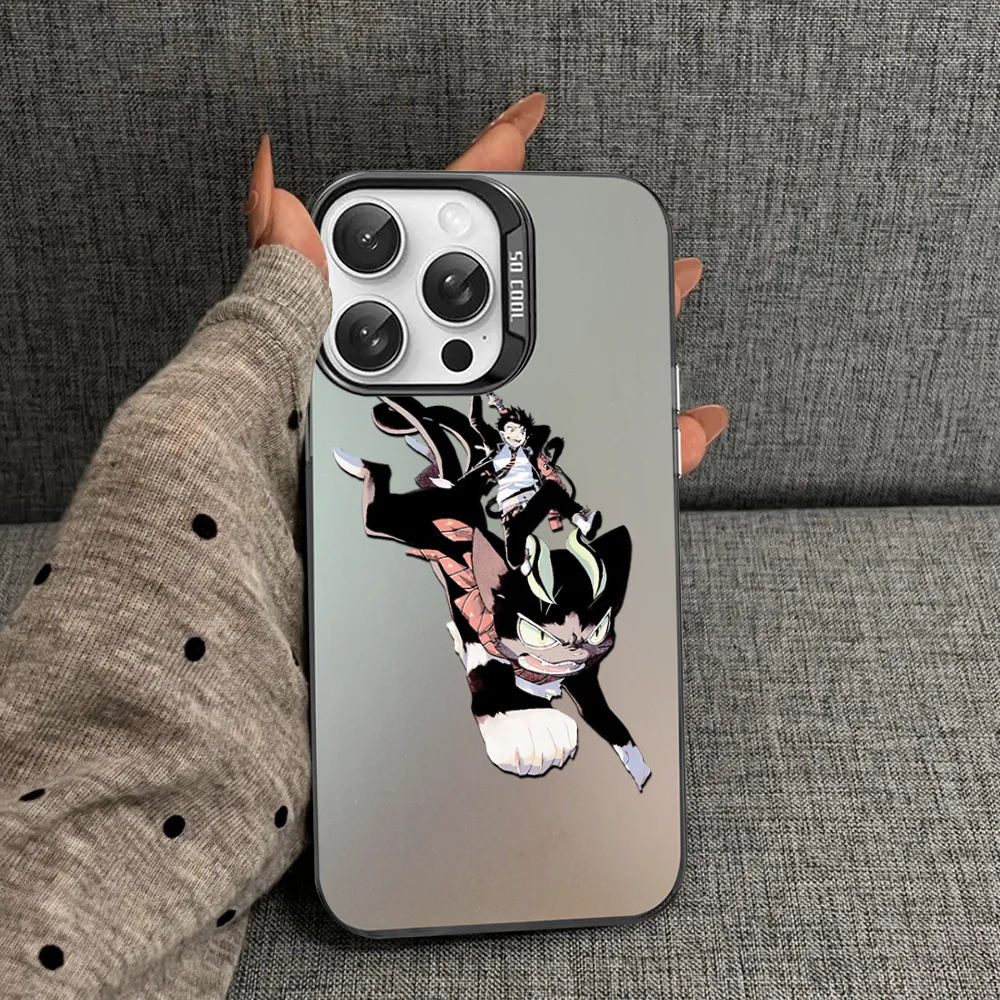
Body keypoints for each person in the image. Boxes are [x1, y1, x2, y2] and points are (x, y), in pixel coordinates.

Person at [0, 93, 728, 999]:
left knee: (458, 510)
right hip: (473, 541)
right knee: (440, 504)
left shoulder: (524, 611)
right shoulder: (515, 590)